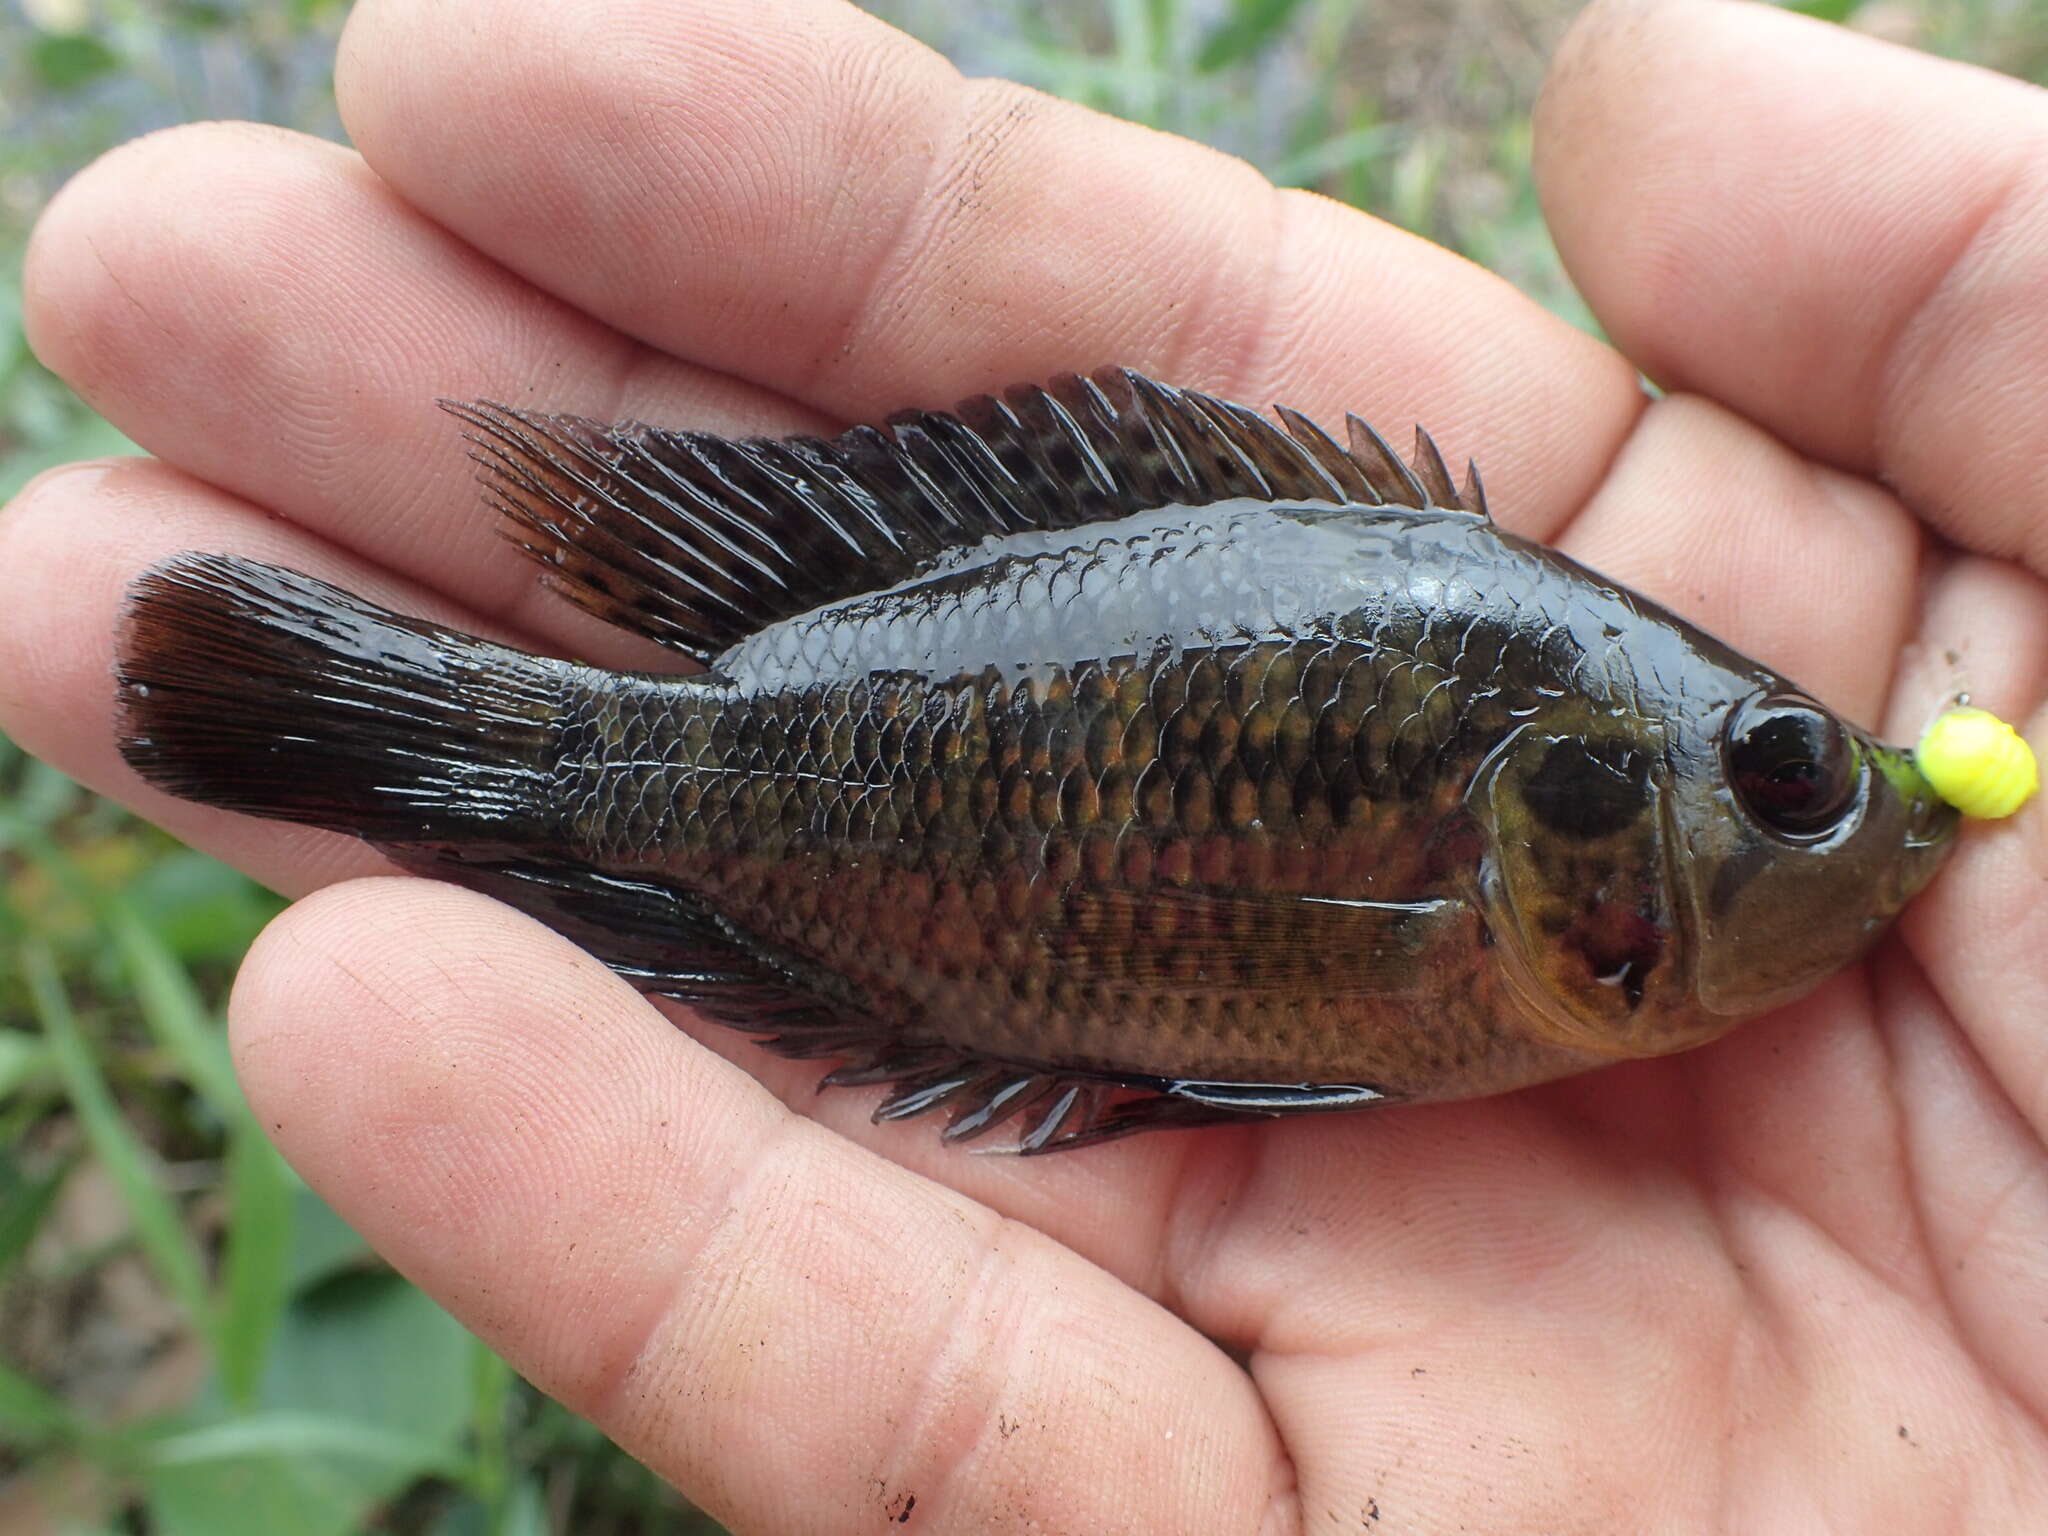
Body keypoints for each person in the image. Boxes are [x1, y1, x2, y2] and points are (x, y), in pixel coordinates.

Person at [5, 0, 2045, 1526]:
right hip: (822, 693)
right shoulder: (1500, 812)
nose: (1842, 805)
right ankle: (443, 753)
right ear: (1564, 823)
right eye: (1776, 774)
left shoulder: (1528, 800)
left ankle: (458, 769)